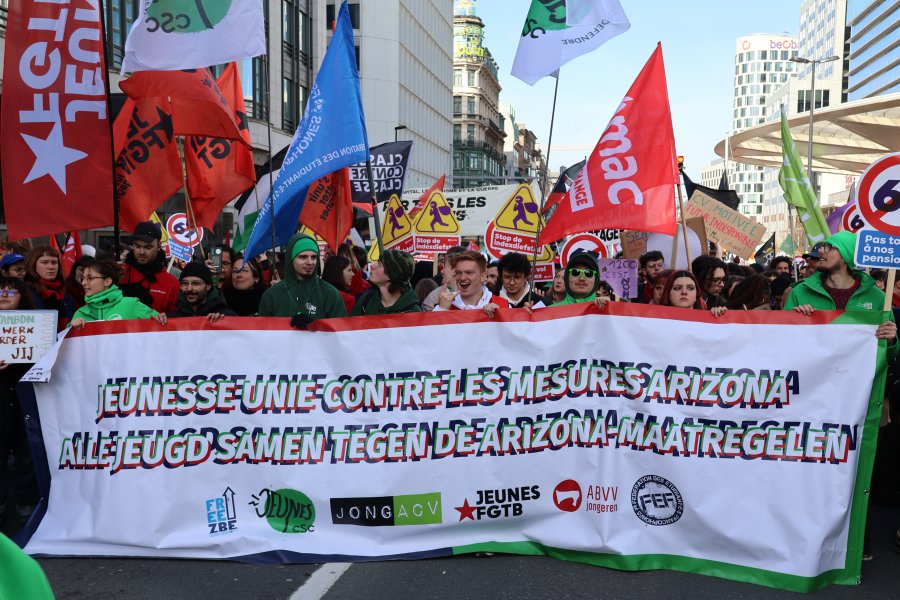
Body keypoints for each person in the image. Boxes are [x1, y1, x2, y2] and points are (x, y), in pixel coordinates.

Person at [0, 276, 39, 528]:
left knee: (27, 457)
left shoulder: (37, 325)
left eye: (11, 290)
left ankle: (27, 511)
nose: (4, 294)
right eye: (0, 290)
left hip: (25, 401)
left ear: (22, 296)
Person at [257, 233, 348, 323]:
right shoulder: (271, 295)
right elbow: (263, 333)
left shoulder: (330, 293)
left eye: (314, 257)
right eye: (303, 257)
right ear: (291, 259)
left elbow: (341, 333)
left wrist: (316, 326)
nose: (310, 262)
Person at [70, 260, 167, 328]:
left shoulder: (130, 305)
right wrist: (71, 328)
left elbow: (159, 326)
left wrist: (160, 317)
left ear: (107, 281)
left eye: (90, 278)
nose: (83, 283)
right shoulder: (80, 313)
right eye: (83, 278)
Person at [119, 221, 180, 313]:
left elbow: (177, 320)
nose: (142, 252)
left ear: (159, 246)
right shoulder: (118, 273)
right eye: (137, 246)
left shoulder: (171, 283)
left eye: (148, 247)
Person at [434, 250, 508, 315]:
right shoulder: (444, 305)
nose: (462, 278)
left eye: (469, 273)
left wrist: (500, 315)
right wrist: (442, 310)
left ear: (483, 276)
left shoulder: (503, 305)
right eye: (458, 273)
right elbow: (431, 330)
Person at [352, 250, 422, 315]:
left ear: (391, 274)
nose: (373, 266)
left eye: (379, 264)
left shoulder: (412, 311)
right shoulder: (365, 302)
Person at [24, 245, 75, 331]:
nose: (51, 267)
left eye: (54, 262)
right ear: (33, 265)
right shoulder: (24, 292)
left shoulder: (67, 293)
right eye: (44, 262)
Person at [167, 262, 236, 323]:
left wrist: (223, 321)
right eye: (185, 283)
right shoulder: (171, 318)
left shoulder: (226, 316)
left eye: (196, 283)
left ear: (208, 286)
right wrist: (160, 321)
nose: (189, 288)